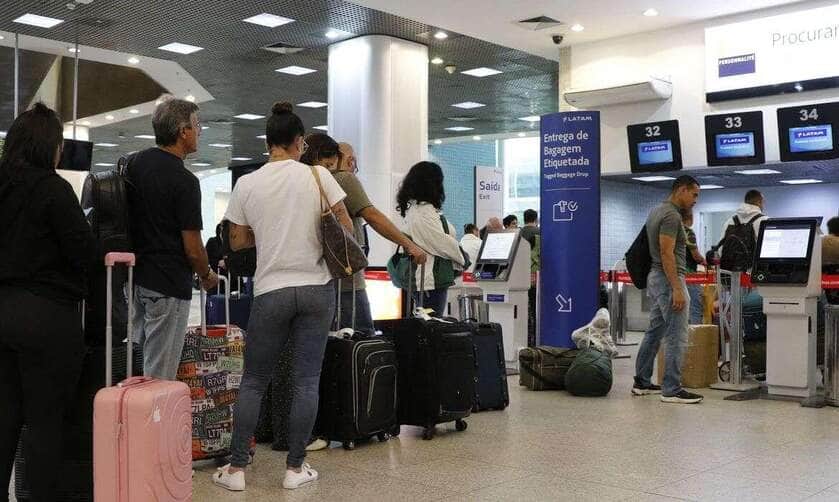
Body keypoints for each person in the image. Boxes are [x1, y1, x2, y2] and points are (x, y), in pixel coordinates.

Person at [213, 102, 353, 492]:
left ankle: (237, 470)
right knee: (307, 381)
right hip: (316, 288)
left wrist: (268, 229)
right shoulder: (319, 177)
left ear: (267, 142)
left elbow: (238, 240)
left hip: (271, 289)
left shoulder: (248, 184)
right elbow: (345, 226)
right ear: (299, 142)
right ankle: (295, 468)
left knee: (255, 380)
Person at [0, 103, 95, 501]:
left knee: (3, 418)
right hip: (47, 317)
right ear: (49, 147)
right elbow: (84, 254)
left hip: (1, 310)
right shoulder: (54, 190)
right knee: (45, 422)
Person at [127, 97, 218, 380]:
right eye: (196, 125)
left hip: (135, 280)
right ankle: (151, 424)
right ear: (182, 131)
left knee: (143, 363)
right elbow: (192, 247)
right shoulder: (185, 182)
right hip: (167, 283)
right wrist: (206, 275)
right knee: (160, 375)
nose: (199, 131)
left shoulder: (133, 164)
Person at [302, 138, 426, 334]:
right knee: (360, 338)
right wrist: (409, 244)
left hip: (312, 281)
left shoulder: (304, 181)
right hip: (346, 281)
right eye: (351, 161)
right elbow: (373, 216)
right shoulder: (343, 179)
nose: (353, 167)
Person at [632, 175, 704, 404]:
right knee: (676, 335)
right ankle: (671, 388)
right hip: (667, 279)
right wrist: (677, 288)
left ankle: (641, 381)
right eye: (694, 194)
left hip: (657, 278)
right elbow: (666, 253)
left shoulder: (656, 210)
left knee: (655, 330)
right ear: (681, 190)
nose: (695, 200)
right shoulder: (672, 216)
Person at [396, 161, 466, 315]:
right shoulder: (422, 213)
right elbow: (441, 243)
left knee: (427, 325)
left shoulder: (418, 210)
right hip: (428, 281)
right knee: (432, 326)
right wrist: (464, 259)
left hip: (428, 280)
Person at [683, 210, 707, 324]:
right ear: (691, 218)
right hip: (688, 274)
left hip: (672, 274)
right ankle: (696, 338)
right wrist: (704, 261)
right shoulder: (688, 232)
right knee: (696, 307)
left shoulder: (671, 231)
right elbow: (696, 256)